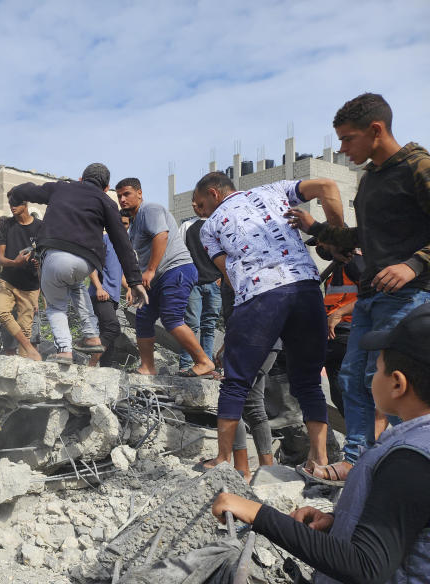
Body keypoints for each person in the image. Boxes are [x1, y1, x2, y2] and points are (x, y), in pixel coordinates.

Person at [212, 302, 430, 584]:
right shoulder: (417, 445)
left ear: (397, 384)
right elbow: (407, 527)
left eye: (379, 367)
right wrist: (341, 526)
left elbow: (365, 565)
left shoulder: (410, 458)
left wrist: (258, 513)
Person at [287, 93, 430, 484]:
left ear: (376, 130)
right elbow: (360, 236)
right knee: (352, 378)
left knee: (402, 382)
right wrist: (315, 228)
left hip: (410, 296)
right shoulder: (370, 179)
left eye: (348, 139)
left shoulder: (418, 166)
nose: (342, 148)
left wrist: (412, 264)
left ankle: (414, 464)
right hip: (371, 297)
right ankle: (356, 461)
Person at [194, 171, 345, 480]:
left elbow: (230, 277)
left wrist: (239, 327)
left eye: (200, 204)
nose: (200, 211)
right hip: (306, 288)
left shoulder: (209, 227)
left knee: (236, 381)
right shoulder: (276, 189)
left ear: (214, 193)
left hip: (259, 296)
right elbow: (328, 186)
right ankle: (319, 460)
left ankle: (223, 459)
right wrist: (335, 237)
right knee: (308, 382)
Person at [8, 163, 146, 363]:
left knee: (56, 306)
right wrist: (135, 281)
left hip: (55, 257)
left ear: (81, 179)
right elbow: (122, 244)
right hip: (86, 262)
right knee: (75, 284)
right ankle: (91, 336)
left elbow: (29, 190)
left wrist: (16, 194)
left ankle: (64, 350)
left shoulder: (61, 187)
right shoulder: (107, 202)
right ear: (106, 188)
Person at [115, 178, 214, 377]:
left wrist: (150, 270)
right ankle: (147, 367)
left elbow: (161, 236)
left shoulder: (149, 209)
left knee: (171, 317)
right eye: (119, 196)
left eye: (127, 194)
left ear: (139, 193)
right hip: (156, 277)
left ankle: (204, 362)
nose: (122, 199)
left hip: (175, 269)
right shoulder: (133, 225)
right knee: (143, 318)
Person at [318, 246, 366, 417]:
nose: (319, 248)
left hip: (348, 332)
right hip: (334, 335)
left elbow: (372, 295)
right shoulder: (336, 269)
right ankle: (359, 438)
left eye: (321, 242)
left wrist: (339, 313)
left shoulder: (356, 263)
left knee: (289, 361)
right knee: (341, 393)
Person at [0, 200, 43, 360]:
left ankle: (24, 369)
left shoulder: (41, 227)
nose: (12, 206)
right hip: (7, 280)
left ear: (26, 203)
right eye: (9, 202)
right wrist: (15, 262)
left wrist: (39, 262)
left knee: (26, 329)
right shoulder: (5, 226)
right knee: (0, 311)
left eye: (16, 202)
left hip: (30, 285)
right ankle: (29, 349)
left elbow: (47, 256)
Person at [176, 214, 223, 373]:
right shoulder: (187, 226)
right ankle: (186, 364)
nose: (197, 204)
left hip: (214, 283)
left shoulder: (218, 224)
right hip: (193, 284)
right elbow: (178, 253)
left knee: (209, 325)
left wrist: (222, 276)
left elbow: (227, 252)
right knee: (191, 325)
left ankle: (207, 364)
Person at [88, 231, 125, 367]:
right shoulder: (104, 240)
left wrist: (132, 290)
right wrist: (98, 287)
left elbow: (119, 274)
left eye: (126, 224)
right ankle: (91, 365)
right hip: (101, 294)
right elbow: (92, 264)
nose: (123, 227)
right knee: (112, 328)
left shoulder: (123, 245)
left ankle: (105, 370)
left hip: (113, 297)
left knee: (109, 335)